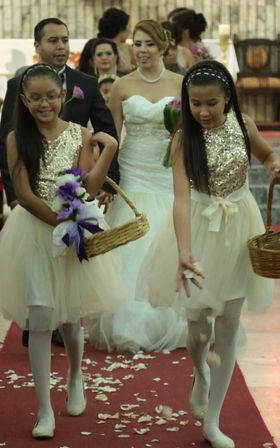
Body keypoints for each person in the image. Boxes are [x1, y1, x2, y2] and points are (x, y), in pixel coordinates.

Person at [137, 60, 280, 448]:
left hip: (240, 226)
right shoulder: (184, 138)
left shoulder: (244, 125)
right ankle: (200, 371)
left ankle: (214, 420)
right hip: (199, 228)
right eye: (195, 103)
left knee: (230, 321)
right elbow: (181, 201)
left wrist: (274, 166)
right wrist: (185, 252)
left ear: (228, 100)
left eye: (212, 104)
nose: (203, 112)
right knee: (198, 326)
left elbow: (269, 155)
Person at [0, 64, 122, 439]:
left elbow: (89, 187)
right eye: (36, 98)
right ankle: (44, 408)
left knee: (70, 317)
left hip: (72, 229)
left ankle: (76, 375)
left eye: (51, 96)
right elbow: (24, 195)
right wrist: (58, 224)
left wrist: (107, 148)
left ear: (63, 95)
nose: (44, 104)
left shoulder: (79, 133)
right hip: (35, 230)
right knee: (41, 315)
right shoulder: (17, 138)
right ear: (25, 101)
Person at [84, 19, 184, 353]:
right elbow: (112, 136)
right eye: (137, 44)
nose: (141, 51)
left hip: (167, 170)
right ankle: (129, 322)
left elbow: (188, 131)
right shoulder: (122, 87)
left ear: (162, 48)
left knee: (166, 236)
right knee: (134, 243)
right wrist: (106, 178)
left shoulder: (180, 83)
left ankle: (170, 317)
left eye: (148, 45)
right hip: (133, 170)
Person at [0, 18, 119, 210]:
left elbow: (107, 130)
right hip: (33, 193)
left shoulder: (86, 83)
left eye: (65, 40)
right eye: (53, 41)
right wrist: (13, 194)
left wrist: (108, 181)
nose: (61, 46)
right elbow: (7, 137)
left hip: (75, 192)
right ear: (37, 46)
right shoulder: (18, 84)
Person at [97, 8, 133, 76]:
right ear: (123, 27)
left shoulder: (127, 47)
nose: (130, 29)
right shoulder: (107, 48)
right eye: (129, 25)